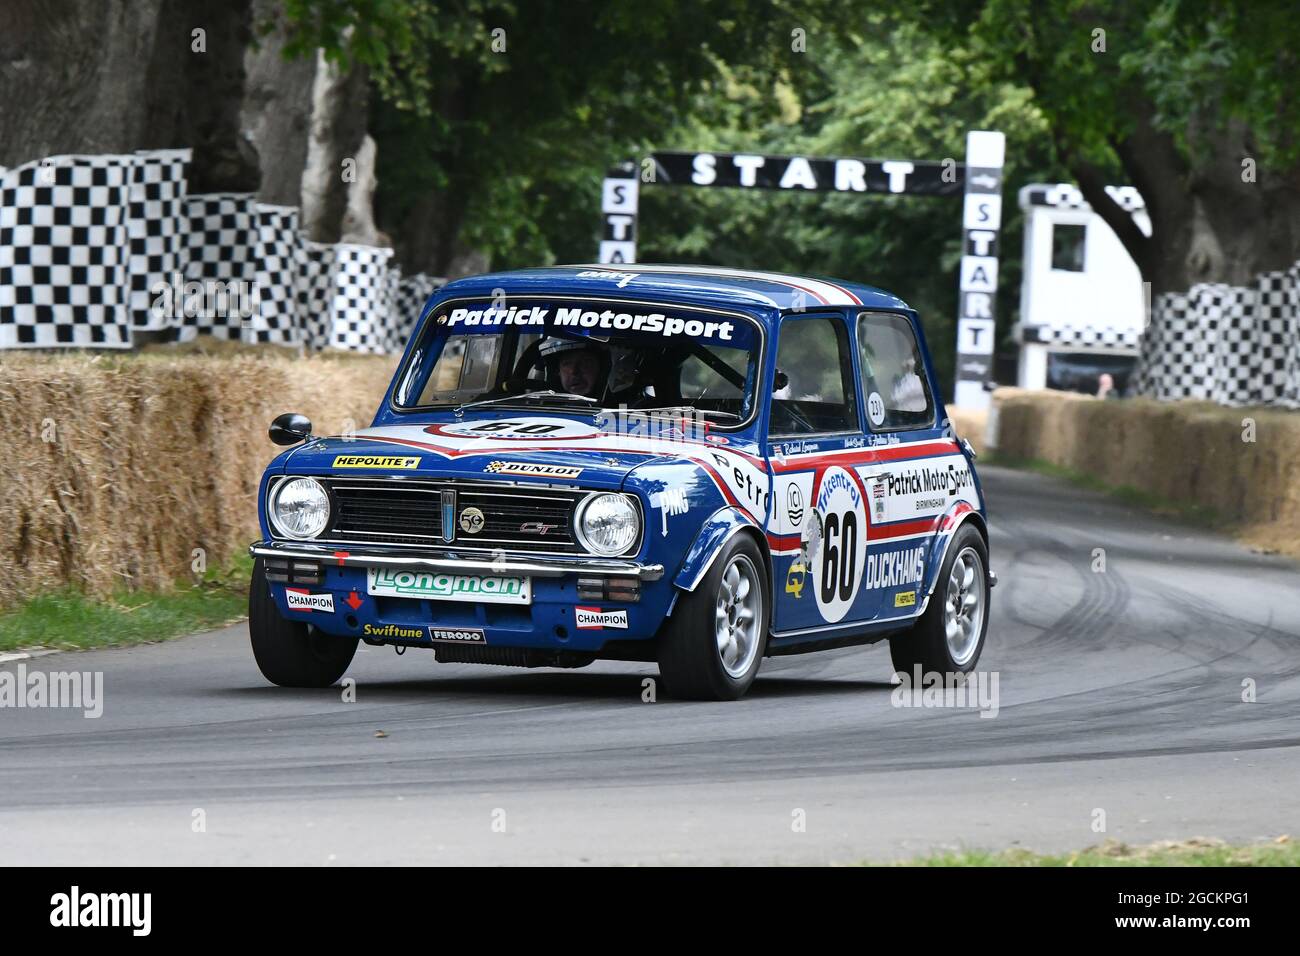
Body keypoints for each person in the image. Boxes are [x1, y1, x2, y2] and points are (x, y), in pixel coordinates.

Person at [538, 337, 610, 398]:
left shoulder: (620, 409)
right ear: (558, 371)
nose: (573, 371)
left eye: (585, 363)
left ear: (601, 367)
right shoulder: (538, 408)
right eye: (567, 363)